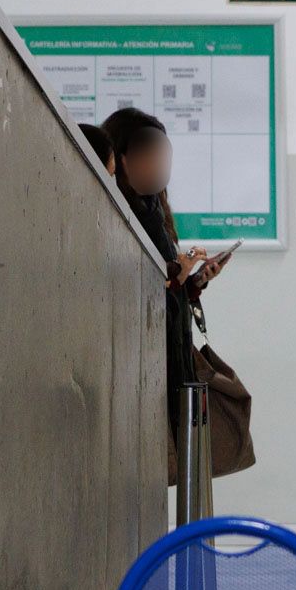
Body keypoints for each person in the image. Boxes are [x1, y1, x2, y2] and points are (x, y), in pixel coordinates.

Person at [100, 108, 232, 438]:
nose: (159, 164)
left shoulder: (155, 209)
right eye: (149, 154)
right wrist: (176, 275)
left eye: (161, 154)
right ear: (124, 159)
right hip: (136, 363)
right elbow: (129, 289)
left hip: (170, 356)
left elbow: (168, 289)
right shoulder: (114, 214)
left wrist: (194, 279)